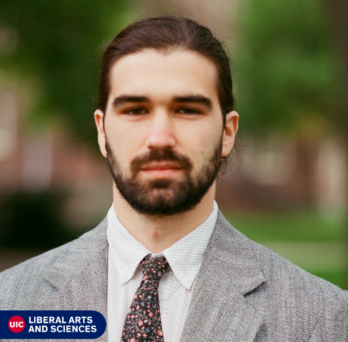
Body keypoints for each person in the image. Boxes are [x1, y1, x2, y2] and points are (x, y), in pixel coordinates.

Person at [0, 15, 347, 342]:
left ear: (227, 133)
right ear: (102, 131)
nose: (161, 137)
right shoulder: (12, 303)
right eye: (136, 110)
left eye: (187, 110)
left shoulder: (324, 317)